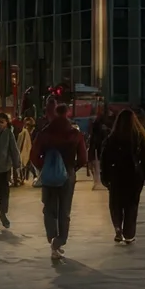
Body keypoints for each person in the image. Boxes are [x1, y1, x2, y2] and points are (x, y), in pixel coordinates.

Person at [30, 102, 89, 263]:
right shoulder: (75, 134)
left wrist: (44, 167)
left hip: (49, 175)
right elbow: (83, 158)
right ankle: (59, 241)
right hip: (68, 174)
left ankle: (52, 237)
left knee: (49, 208)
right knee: (65, 210)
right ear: (68, 114)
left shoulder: (45, 133)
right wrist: (72, 169)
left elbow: (34, 155)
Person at [101, 106, 145, 245]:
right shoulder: (139, 137)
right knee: (131, 205)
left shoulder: (112, 137)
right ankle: (129, 234)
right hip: (134, 177)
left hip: (116, 175)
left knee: (116, 204)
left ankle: (118, 229)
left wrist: (104, 176)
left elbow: (105, 158)